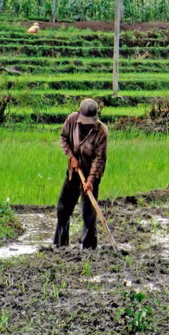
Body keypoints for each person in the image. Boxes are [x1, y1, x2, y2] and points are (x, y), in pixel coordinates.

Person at [54, 98, 109, 248]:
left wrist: (90, 180)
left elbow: (99, 159)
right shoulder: (72, 120)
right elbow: (64, 138)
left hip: (91, 175)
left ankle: (89, 247)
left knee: (88, 213)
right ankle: (61, 242)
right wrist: (71, 157)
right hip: (74, 172)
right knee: (63, 207)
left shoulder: (101, 132)